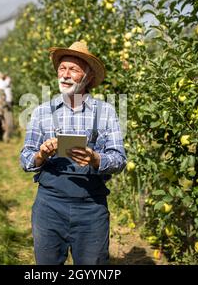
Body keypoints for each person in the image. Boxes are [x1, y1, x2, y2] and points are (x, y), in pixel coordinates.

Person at [20, 41, 126, 265]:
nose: (65, 75)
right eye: (62, 68)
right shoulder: (41, 112)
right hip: (49, 206)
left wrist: (96, 159)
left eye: (73, 69)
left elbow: (119, 158)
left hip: (91, 208)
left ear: (87, 77)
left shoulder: (105, 112)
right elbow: (25, 158)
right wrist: (41, 155)